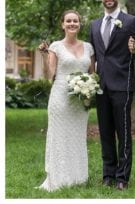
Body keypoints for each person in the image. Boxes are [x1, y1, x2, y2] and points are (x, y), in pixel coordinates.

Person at [90, 0, 135, 190]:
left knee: (123, 134)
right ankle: (108, 174)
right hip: (100, 86)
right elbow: (94, 56)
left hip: (122, 85)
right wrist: (90, 81)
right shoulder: (94, 25)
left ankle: (122, 177)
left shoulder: (130, 21)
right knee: (105, 133)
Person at [36, 10, 95, 191]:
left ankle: (78, 176)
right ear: (63, 24)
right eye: (68, 21)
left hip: (80, 99)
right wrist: (45, 55)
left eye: (75, 21)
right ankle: (59, 177)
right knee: (60, 135)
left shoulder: (88, 47)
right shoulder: (56, 46)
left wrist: (89, 89)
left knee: (77, 136)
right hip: (60, 96)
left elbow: (92, 73)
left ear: (79, 24)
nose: (72, 24)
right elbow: (49, 75)